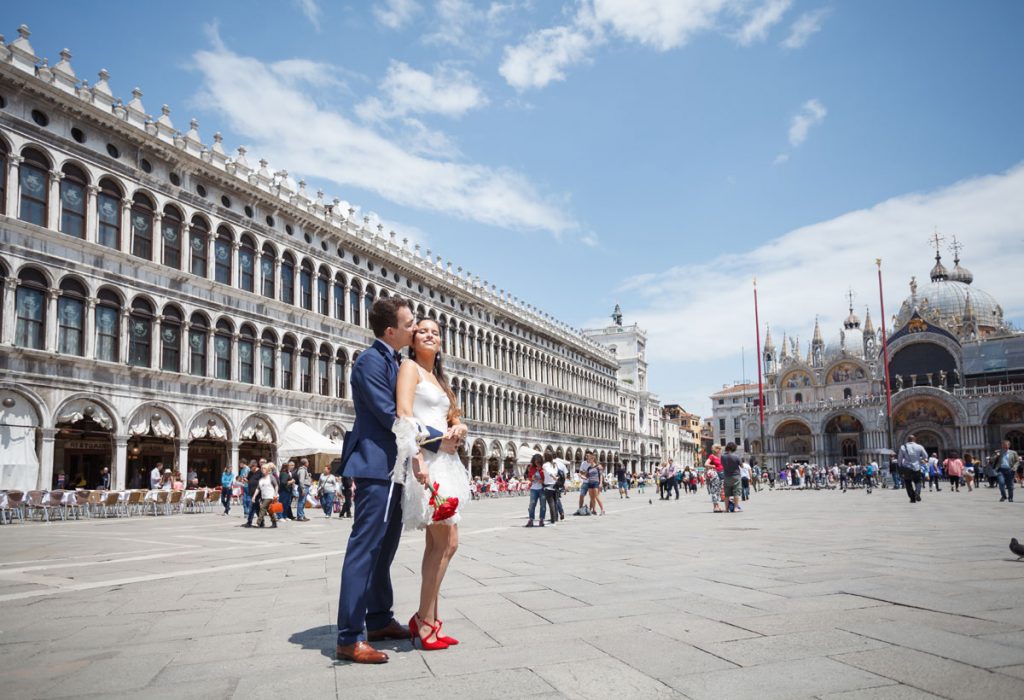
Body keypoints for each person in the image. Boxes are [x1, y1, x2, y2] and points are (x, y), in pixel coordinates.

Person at [336, 296, 416, 664]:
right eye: (409, 323)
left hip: (392, 466)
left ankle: (379, 617)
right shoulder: (370, 361)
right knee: (364, 549)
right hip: (375, 465)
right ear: (390, 330)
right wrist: (434, 436)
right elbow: (389, 413)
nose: (414, 328)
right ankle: (349, 636)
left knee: (385, 549)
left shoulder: (394, 360)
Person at [395, 317, 470, 651]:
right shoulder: (409, 367)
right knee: (441, 544)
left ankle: (429, 619)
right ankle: (425, 623)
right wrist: (421, 454)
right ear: (413, 339)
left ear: (441, 342)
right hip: (430, 460)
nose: (429, 335)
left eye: (435, 333)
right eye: (422, 330)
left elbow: (450, 415)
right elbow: (405, 415)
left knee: (447, 544)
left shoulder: (439, 378)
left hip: (449, 462)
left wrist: (460, 427)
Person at [898, 434, 928, 504]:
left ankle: (912, 498)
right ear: (914, 439)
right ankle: (917, 493)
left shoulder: (903, 447)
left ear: (907, 440)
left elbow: (900, 458)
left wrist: (900, 466)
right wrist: (920, 460)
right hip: (916, 467)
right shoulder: (919, 446)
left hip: (906, 468)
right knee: (918, 482)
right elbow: (925, 456)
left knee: (908, 483)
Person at [524, 453, 546, 527]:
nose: (536, 463)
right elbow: (529, 477)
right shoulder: (532, 468)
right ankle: (531, 519)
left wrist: (542, 480)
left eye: (538, 462)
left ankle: (541, 519)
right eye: (535, 462)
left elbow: (546, 479)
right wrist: (532, 478)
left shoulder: (543, 468)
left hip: (542, 489)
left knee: (543, 505)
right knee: (532, 504)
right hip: (533, 488)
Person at [721, 443, 743, 513]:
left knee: (727, 494)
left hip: (727, 476)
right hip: (736, 476)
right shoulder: (736, 456)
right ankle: (736, 508)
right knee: (736, 493)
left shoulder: (722, 456)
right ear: (734, 448)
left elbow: (722, 465)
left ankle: (726, 509)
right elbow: (741, 466)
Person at [256, 463, 278, 528]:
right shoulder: (261, 479)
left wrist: (275, 494)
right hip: (264, 496)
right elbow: (258, 488)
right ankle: (274, 523)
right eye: (262, 468)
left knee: (262, 508)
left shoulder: (271, 477)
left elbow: (276, 485)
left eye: (264, 468)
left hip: (270, 496)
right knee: (270, 510)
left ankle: (258, 523)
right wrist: (254, 496)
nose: (263, 470)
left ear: (268, 470)